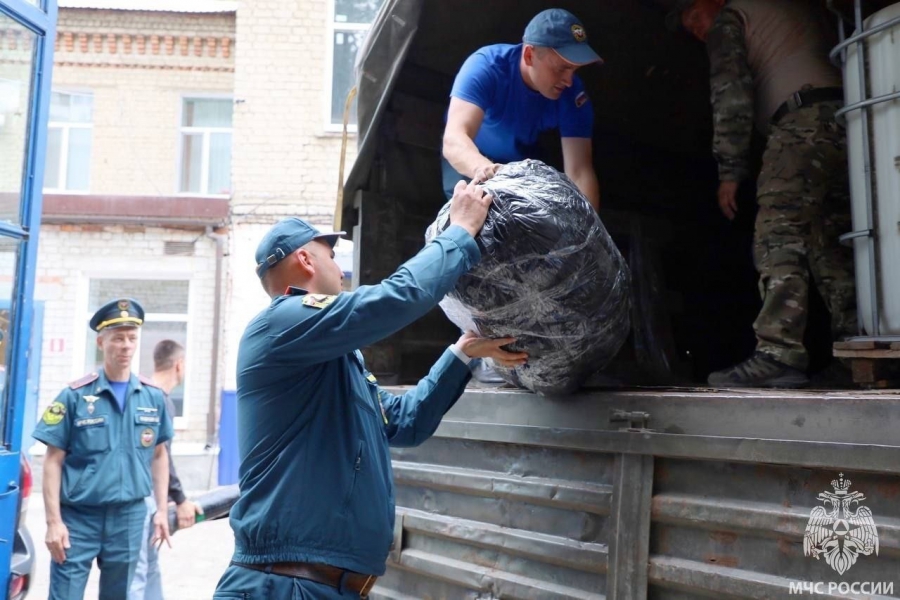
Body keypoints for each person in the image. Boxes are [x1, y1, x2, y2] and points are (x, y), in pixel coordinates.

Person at [213, 182, 528, 599]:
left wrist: (461, 354)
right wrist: (461, 232)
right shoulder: (282, 323)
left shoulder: (330, 359)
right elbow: (392, 300)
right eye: (331, 253)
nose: (339, 264)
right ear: (305, 258)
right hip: (283, 585)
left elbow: (405, 422)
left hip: (326, 586)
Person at [668, 0, 857, 387]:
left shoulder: (731, 17)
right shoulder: (785, 11)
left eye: (697, 20)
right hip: (849, 120)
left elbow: (731, 94)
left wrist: (730, 170)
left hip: (801, 125)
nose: (700, 32)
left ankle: (777, 352)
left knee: (777, 233)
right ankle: (854, 353)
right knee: (831, 244)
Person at [32, 298, 173, 600]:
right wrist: (53, 522)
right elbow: (52, 461)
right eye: (117, 337)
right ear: (101, 341)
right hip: (78, 519)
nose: (125, 345)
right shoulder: (74, 396)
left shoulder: (152, 397)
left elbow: (159, 455)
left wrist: (161, 510)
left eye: (132, 338)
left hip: (129, 518)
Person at [442, 8, 602, 211]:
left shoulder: (573, 95)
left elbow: (579, 172)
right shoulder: (486, 66)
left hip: (521, 161)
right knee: (467, 221)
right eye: (561, 68)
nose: (569, 80)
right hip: (468, 159)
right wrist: (487, 171)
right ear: (529, 55)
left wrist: (589, 233)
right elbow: (454, 139)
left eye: (574, 69)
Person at [129, 339, 203, 600]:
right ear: (179, 365)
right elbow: (161, 457)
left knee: (148, 569)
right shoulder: (161, 400)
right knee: (139, 574)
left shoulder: (140, 393)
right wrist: (180, 499)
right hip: (143, 500)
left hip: (141, 495)